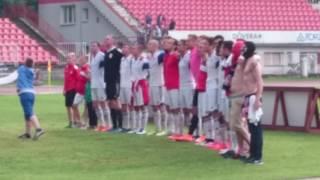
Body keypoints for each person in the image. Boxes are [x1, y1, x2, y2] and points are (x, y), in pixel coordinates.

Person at [241, 41, 264, 165]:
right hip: (248, 96)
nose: (242, 50)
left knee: (256, 129)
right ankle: (252, 154)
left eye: (244, 48)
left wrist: (258, 98)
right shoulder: (247, 60)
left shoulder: (254, 62)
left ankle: (258, 157)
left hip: (253, 96)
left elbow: (260, 82)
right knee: (251, 128)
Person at [17, 58, 44, 140]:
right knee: (27, 114)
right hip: (32, 93)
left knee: (30, 112)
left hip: (25, 93)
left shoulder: (21, 69)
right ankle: (28, 133)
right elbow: (37, 80)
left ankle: (39, 129)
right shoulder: (32, 71)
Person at [103, 35, 124, 132]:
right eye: (105, 39)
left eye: (108, 39)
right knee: (110, 103)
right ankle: (114, 125)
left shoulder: (117, 52)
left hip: (115, 80)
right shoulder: (106, 53)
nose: (106, 41)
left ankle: (120, 126)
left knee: (115, 102)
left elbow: (123, 61)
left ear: (113, 41)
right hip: (108, 81)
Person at [146, 39, 167, 136]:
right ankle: (157, 128)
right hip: (152, 83)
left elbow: (165, 54)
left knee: (161, 106)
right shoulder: (150, 56)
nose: (148, 46)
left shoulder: (160, 54)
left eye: (150, 44)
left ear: (155, 46)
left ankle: (164, 128)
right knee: (154, 106)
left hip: (159, 83)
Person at [130, 44, 150, 135]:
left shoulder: (143, 59)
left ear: (139, 50)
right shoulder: (133, 60)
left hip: (141, 83)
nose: (132, 50)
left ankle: (143, 128)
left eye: (134, 48)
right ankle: (137, 127)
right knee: (136, 106)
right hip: (134, 83)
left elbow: (147, 71)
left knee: (143, 106)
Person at [163, 37, 181, 137]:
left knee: (176, 108)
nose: (166, 44)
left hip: (175, 84)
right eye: (166, 43)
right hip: (167, 84)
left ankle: (178, 129)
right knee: (169, 107)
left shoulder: (175, 55)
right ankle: (171, 128)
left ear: (174, 46)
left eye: (169, 43)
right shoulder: (167, 56)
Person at [90, 42, 109, 132]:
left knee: (103, 103)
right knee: (95, 104)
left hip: (100, 83)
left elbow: (106, 65)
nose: (92, 47)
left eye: (94, 46)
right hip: (93, 83)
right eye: (91, 46)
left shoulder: (101, 55)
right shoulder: (91, 57)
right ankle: (101, 124)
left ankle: (108, 124)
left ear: (98, 47)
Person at [177, 39, 194, 138]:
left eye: (180, 45)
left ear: (184, 46)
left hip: (189, 84)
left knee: (191, 109)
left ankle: (193, 131)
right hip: (181, 85)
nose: (178, 47)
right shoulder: (181, 57)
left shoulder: (188, 57)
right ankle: (183, 131)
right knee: (183, 109)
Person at [72, 55, 90, 128]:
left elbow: (89, 78)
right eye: (80, 59)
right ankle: (80, 121)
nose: (80, 60)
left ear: (86, 60)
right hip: (79, 91)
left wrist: (85, 75)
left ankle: (85, 122)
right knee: (74, 105)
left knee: (86, 107)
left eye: (81, 59)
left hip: (85, 91)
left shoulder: (87, 68)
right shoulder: (80, 68)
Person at [119, 44, 133, 131]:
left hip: (129, 85)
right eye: (123, 48)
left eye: (125, 48)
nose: (123, 49)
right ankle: (125, 125)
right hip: (122, 85)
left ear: (129, 49)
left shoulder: (131, 59)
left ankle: (132, 125)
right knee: (123, 105)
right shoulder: (122, 59)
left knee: (130, 105)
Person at [63, 52, 78, 128]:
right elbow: (65, 80)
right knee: (68, 106)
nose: (68, 59)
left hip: (73, 89)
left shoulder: (75, 68)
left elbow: (78, 79)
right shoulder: (66, 68)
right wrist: (64, 89)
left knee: (73, 106)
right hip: (68, 89)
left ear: (73, 59)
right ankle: (70, 122)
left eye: (70, 58)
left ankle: (75, 121)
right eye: (67, 58)